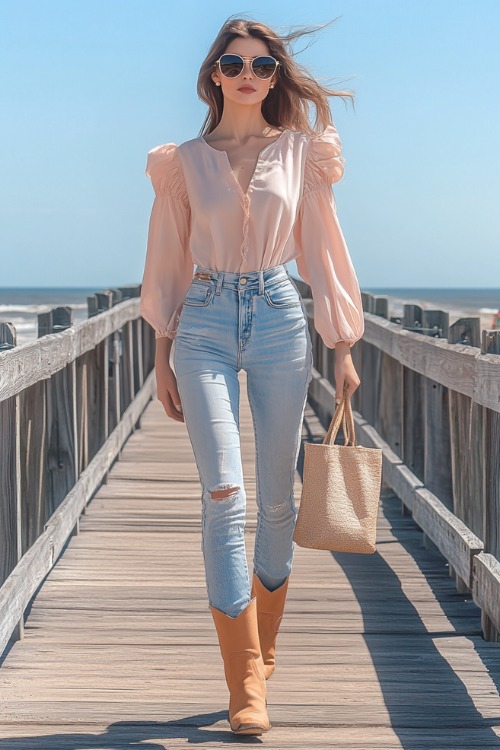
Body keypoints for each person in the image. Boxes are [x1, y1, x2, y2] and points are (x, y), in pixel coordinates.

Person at [140, 15, 364, 737]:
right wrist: (160, 350)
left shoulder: (302, 153)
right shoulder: (181, 160)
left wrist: (344, 346)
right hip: (202, 319)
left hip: (277, 314)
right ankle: (244, 682)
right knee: (223, 492)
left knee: (276, 499)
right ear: (213, 73)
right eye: (235, 62)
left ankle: (264, 646)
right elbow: (168, 258)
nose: (249, 74)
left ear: (275, 77)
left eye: (264, 66)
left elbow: (325, 250)